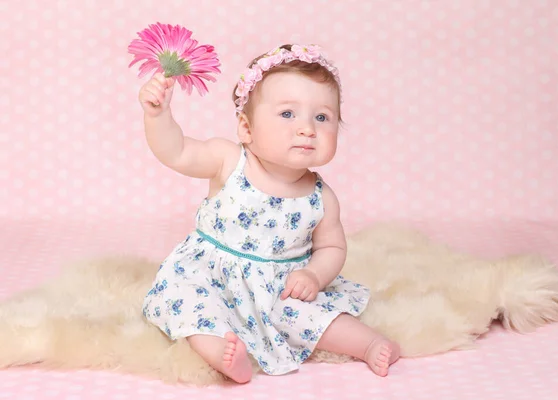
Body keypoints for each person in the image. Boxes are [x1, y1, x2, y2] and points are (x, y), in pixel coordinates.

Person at [139, 44, 400, 383]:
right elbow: (177, 152)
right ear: (246, 128)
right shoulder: (227, 160)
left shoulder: (321, 198)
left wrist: (314, 277)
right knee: (186, 301)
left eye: (322, 117)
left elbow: (332, 248)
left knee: (314, 314)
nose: (307, 128)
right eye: (288, 114)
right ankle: (222, 352)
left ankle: (369, 344)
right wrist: (158, 116)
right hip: (211, 274)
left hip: (278, 286)